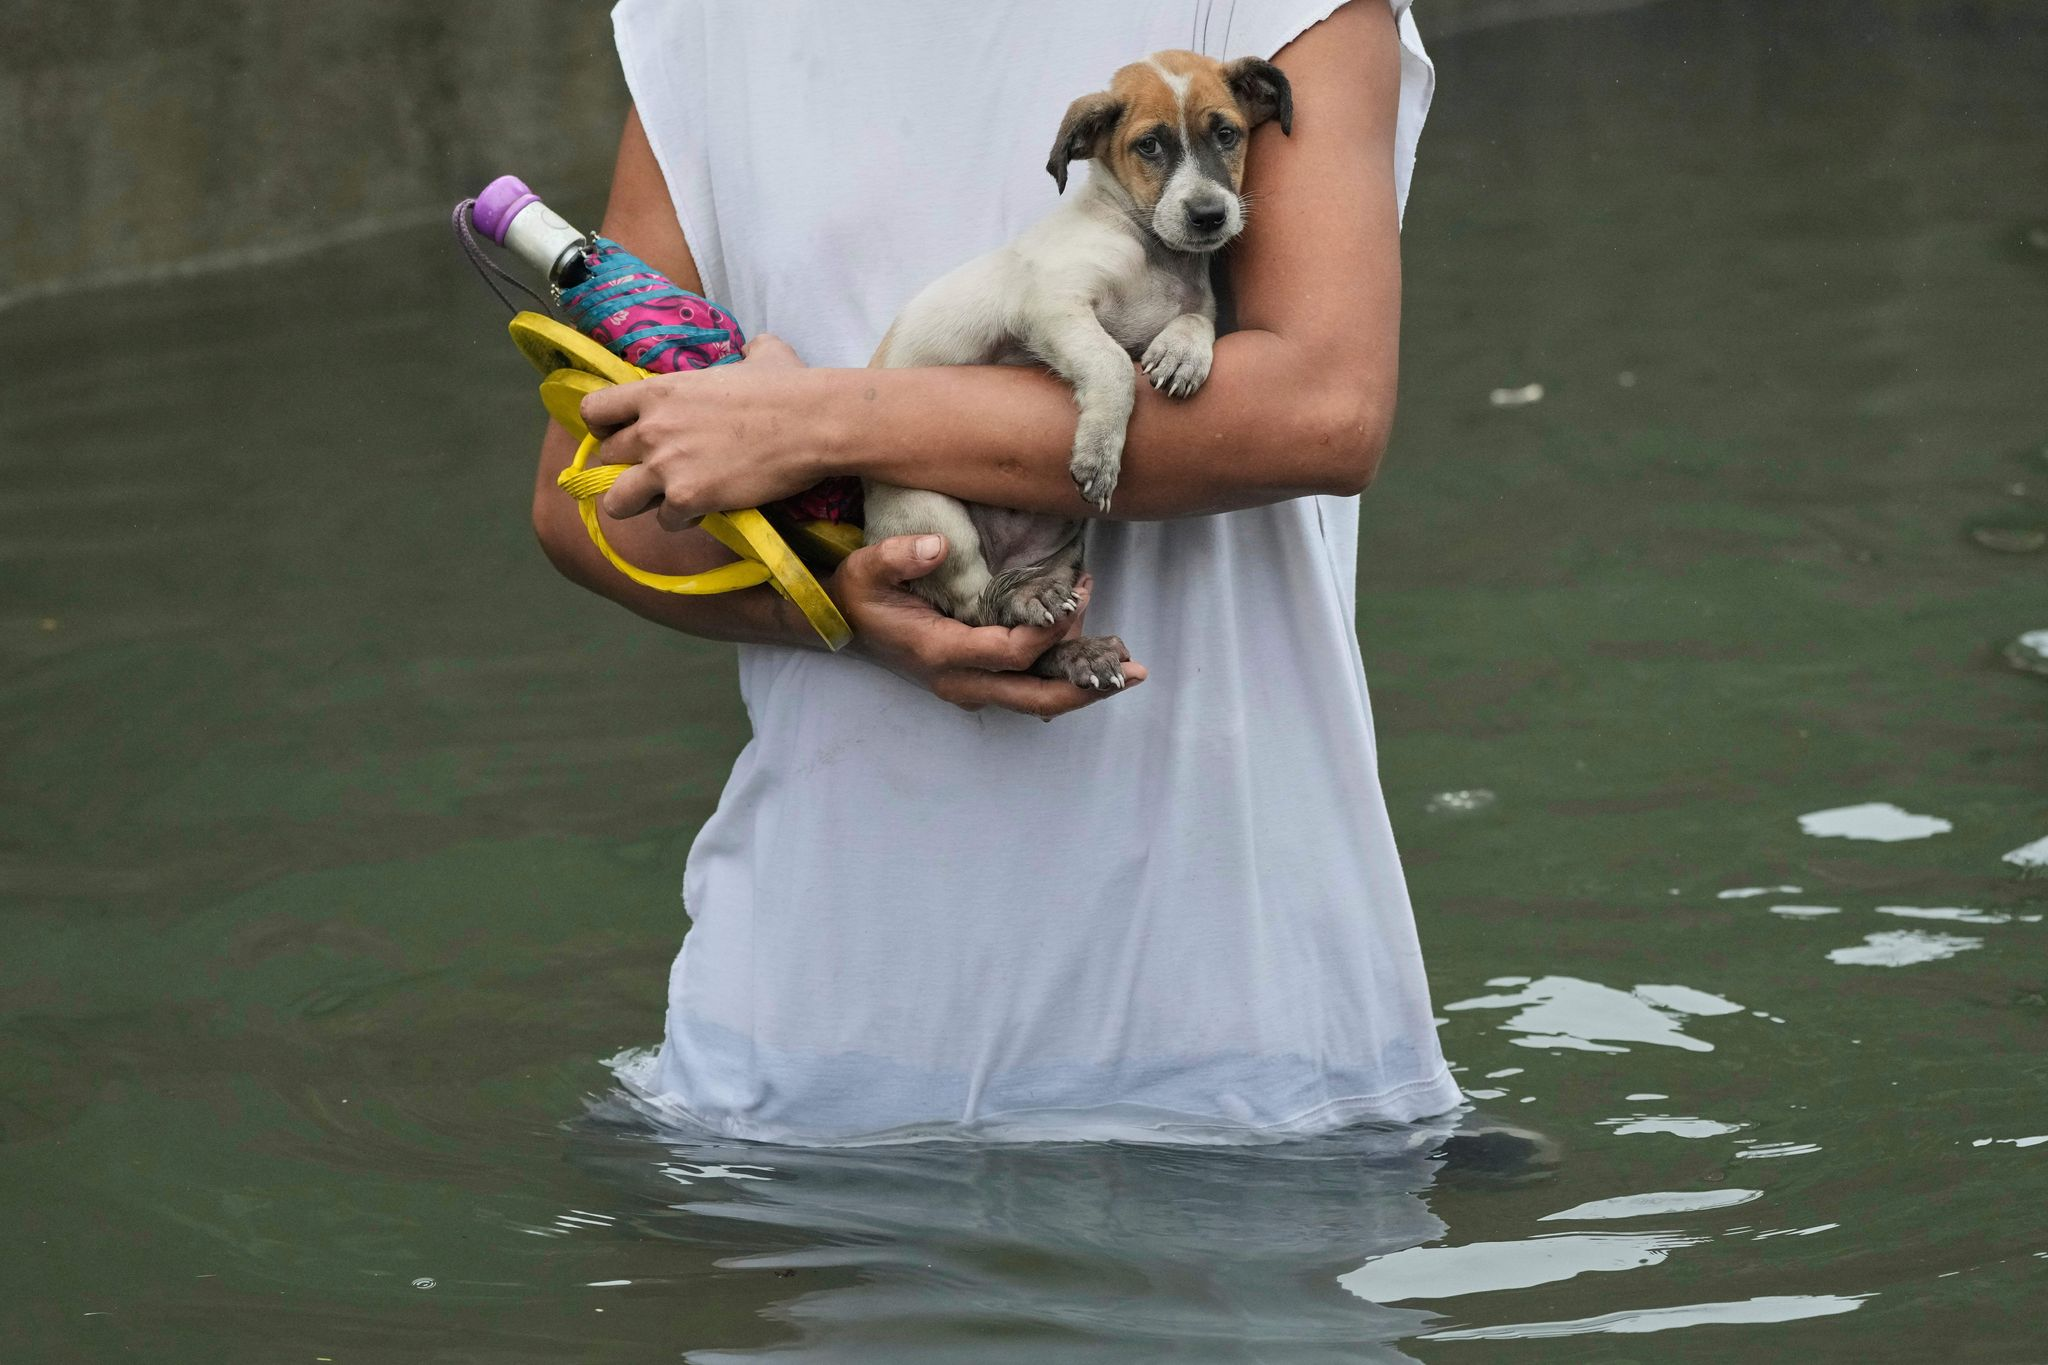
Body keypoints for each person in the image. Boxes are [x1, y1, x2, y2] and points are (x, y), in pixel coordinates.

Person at [532, 0, 1460, 1144]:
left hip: (1231, 1035)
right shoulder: (700, 21)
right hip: (804, 1060)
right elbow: (585, 495)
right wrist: (838, 611)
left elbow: (1323, 410)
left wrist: (826, 421)